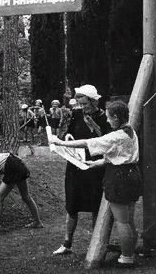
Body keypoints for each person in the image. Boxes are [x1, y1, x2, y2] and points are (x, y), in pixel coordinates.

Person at [50, 101, 141, 266]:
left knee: (122, 220)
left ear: (115, 117)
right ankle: (129, 254)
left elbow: (87, 143)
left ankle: (127, 257)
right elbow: (119, 153)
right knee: (129, 219)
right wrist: (96, 163)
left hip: (119, 178)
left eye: (108, 117)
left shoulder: (116, 135)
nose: (107, 121)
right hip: (132, 174)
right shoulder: (130, 131)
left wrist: (60, 143)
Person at [52, 84, 111, 255]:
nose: (82, 108)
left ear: (94, 102)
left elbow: (107, 141)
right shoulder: (77, 114)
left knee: (95, 206)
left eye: (85, 104)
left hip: (94, 167)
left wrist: (95, 129)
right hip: (75, 166)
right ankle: (67, 243)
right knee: (72, 206)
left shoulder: (103, 118)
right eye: (80, 104)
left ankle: (96, 245)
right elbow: (68, 134)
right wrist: (66, 137)